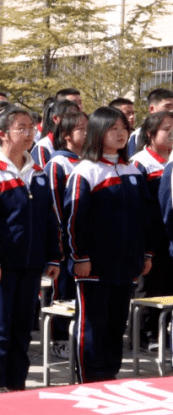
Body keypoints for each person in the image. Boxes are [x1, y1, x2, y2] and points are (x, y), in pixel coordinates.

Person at [0, 105, 61, 393]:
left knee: (23, 328)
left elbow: (49, 217)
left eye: (31, 127)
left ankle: (16, 385)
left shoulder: (38, 172)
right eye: (21, 128)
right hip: (0, 266)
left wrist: (53, 256)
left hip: (31, 264)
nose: (29, 133)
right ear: (2, 134)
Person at [64, 106, 153, 383]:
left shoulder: (133, 171)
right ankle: (89, 378)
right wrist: (79, 257)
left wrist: (146, 254)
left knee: (116, 324)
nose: (120, 133)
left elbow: (145, 219)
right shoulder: (86, 172)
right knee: (93, 324)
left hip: (126, 264)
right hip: (94, 265)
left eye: (123, 128)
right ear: (98, 132)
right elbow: (73, 220)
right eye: (113, 128)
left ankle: (109, 375)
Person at [44, 109, 88, 358]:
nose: (87, 132)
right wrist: (60, 244)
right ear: (66, 135)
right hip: (65, 245)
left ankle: (80, 336)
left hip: (86, 244)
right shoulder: (57, 164)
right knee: (64, 293)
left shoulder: (90, 162)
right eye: (81, 128)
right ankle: (60, 338)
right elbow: (55, 208)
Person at [131, 111, 173, 352]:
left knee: (168, 287)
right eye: (166, 130)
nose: (171, 134)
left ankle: (164, 331)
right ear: (150, 134)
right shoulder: (140, 162)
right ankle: (144, 334)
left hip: (170, 235)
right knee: (150, 287)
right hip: (152, 236)